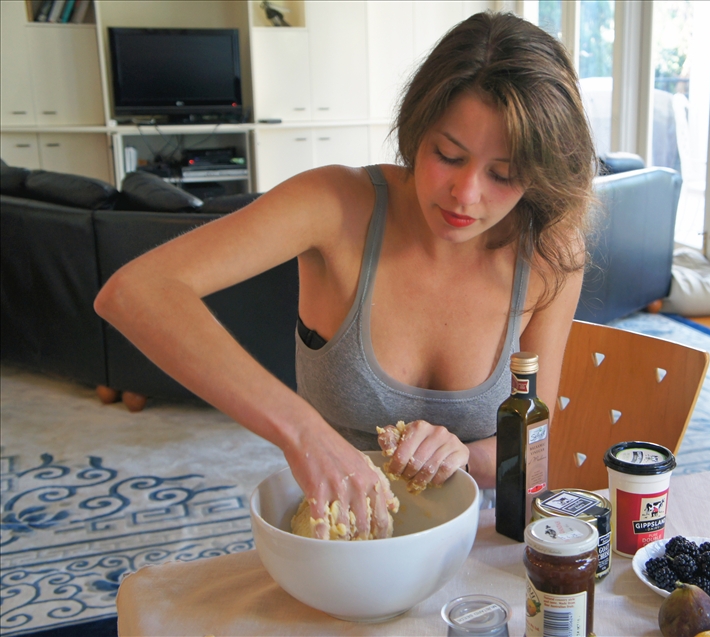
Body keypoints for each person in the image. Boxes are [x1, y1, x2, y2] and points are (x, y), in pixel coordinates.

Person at [94, 11, 596, 540]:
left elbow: (535, 443)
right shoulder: (334, 205)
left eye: (504, 174)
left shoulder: (550, 254)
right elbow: (135, 292)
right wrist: (300, 430)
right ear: (417, 129)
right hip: (339, 540)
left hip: (480, 542)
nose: (466, 195)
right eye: (448, 155)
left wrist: (464, 456)